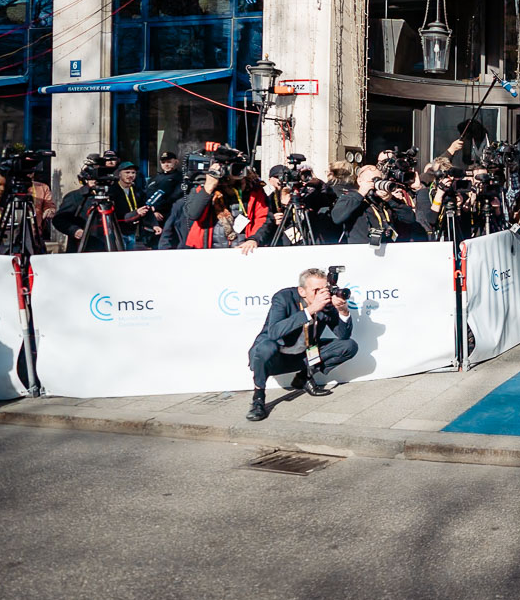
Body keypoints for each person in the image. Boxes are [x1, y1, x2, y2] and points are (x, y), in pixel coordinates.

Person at [245, 268, 358, 422]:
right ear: (302, 291)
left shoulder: (326, 302)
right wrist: (311, 309)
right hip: (274, 357)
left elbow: (343, 335)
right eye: (316, 290)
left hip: (303, 355)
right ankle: (258, 398)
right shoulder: (283, 298)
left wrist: (342, 310)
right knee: (265, 347)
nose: (321, 294)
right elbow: (274, 332)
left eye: (324, 289)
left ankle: (304, 377)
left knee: (349, 346)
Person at [179, 161, 270, 252]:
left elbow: (263, 218)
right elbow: (192, 214)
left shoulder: (254, 191)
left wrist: (253, 239)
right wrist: (208, 187)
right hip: (208, 252)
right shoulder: (203, 188)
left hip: (243, 251)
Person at [331, 165, 424, 246]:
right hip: (361, 251)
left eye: (379, 181)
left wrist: (391, 200)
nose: (376, 184)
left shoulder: (385, 199)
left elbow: (410, 218)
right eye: (372, 181)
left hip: (388, 249)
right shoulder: (351, 198)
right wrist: (361, 193)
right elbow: (337, 217)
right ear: (360, 181)